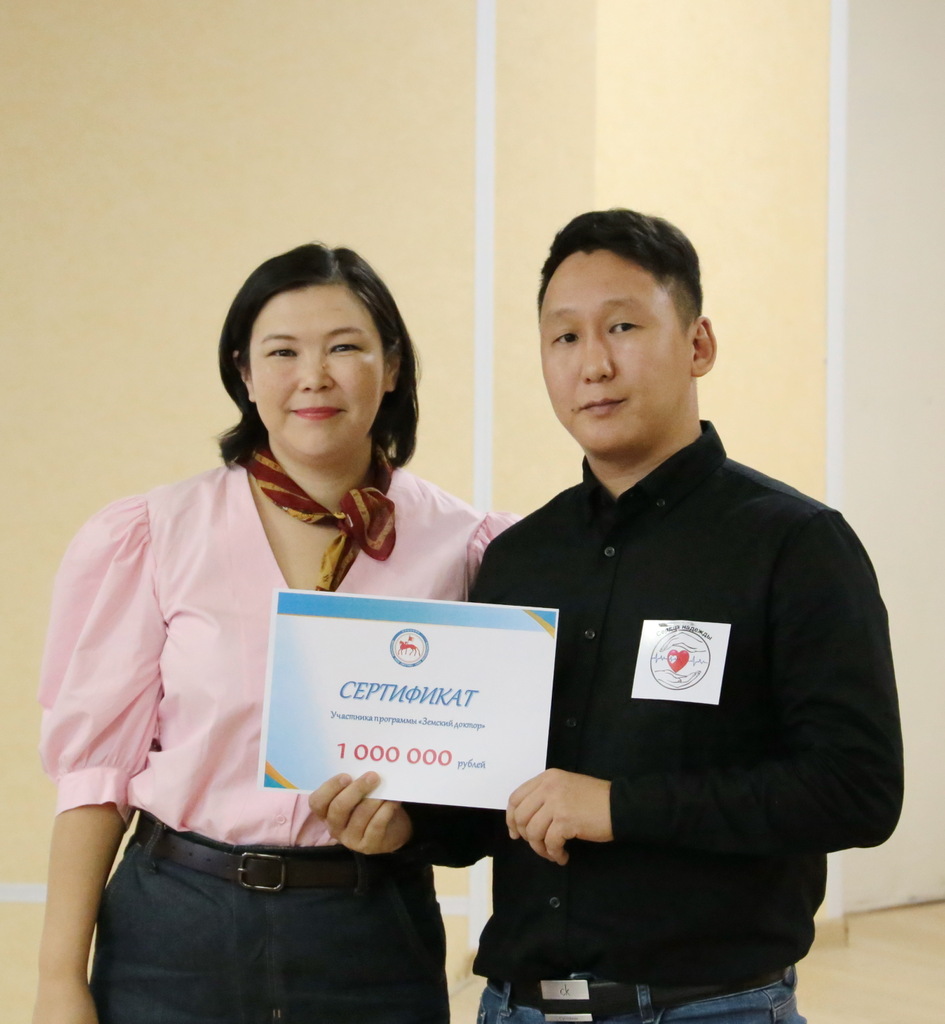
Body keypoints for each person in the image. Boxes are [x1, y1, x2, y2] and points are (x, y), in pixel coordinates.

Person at [313, 209, 904, 1024]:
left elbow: (856, 789)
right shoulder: (519, 557)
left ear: (697, 344)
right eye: (564, 337)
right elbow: (494, 797)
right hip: (519, 1007)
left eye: (622, 326)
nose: (592, 363)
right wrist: (404, 826)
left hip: (710, 1008)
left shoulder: (793, 544)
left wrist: (618, 807)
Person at [33, 242, 515, 1024]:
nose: (313, 376)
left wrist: (413, 822)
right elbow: (96, 774)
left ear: (393, 366)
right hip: (175, 928)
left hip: (371, 933)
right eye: (283, 352)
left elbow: (490, 770)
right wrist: (59, 979)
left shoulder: (467, 549)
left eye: (345, 348)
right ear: (245, 374)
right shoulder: (155, 534)